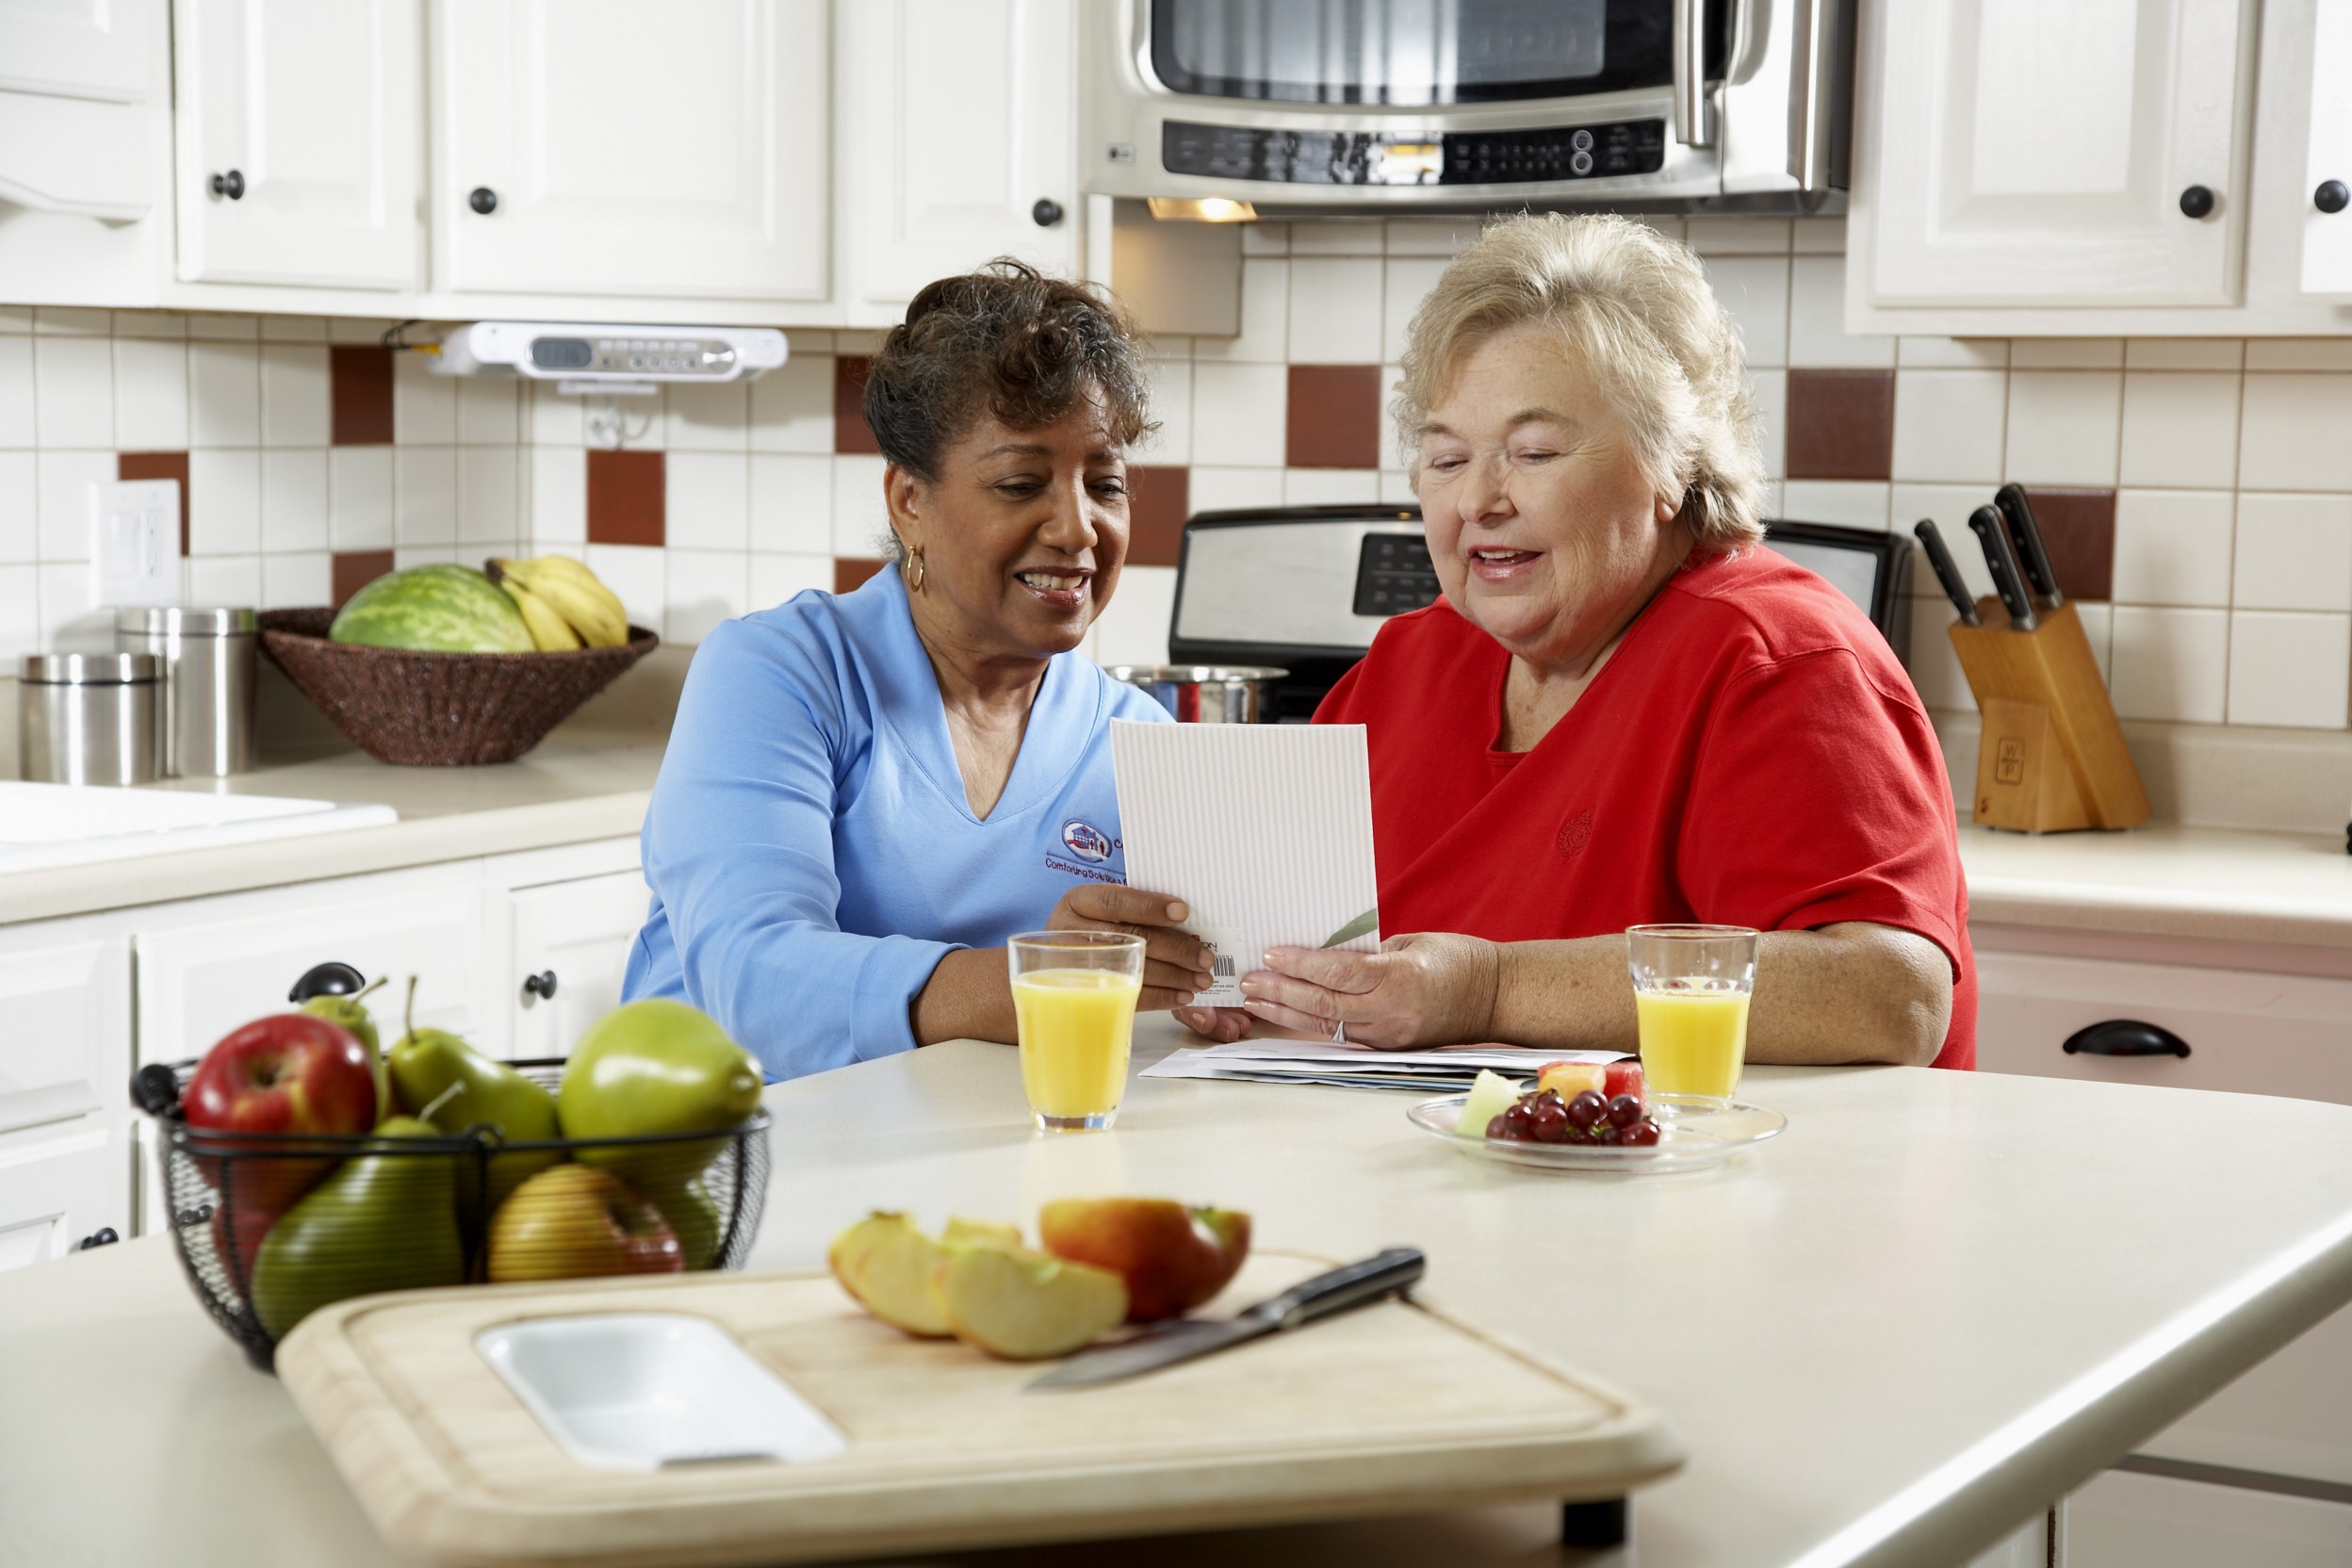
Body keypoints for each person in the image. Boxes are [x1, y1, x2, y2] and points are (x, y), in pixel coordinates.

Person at [1177, 213, 1973, 1069]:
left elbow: (1891, 996)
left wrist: (1488, 989)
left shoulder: (1776, 659)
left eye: (1535, 450)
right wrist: (1246, 989)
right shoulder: (1411, 664)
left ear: (1671, 467)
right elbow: (1302, 958)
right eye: (1447, 460)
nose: (1480, 498)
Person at [626, 261, 1212, 1079]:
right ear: (909, 502)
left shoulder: (1137, 740)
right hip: (724, 1165)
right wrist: (1038, 977)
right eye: (1020, 482)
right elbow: (753, 979)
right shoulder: (779, 674)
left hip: (965, 1168)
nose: (1079, 528)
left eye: (1105, 483)